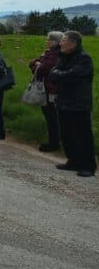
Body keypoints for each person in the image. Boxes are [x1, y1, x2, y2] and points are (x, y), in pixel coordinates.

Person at [50, 31, 96, 177]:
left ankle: (88, 166)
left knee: (82, 135)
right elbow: (53, 74)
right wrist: (61, 75)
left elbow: (72, 76)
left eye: (63, 40)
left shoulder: (84, 59)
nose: (60, 43)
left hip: (78, 104)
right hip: (63, 101)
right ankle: (73, 161)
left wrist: (60, 75)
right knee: (66, 134)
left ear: (73, 43)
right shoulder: (63, 57)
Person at [28, 31, 63, 152]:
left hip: (50, 89)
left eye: (48, 39)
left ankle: (54, 143)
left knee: (52, 116)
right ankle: (54, 141)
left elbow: (43, 68)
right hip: (47, 88)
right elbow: (33, 63)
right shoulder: (49, 52)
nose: (46, 41)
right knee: (50, 116)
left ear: (54, 41)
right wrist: (36, 64)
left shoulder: (55, 54)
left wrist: (37, 64)